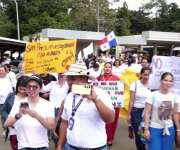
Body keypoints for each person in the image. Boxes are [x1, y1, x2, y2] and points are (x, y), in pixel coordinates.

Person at [56, 62, 115, 150]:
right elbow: (64, 122)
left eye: (72, 78)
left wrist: (96, 100)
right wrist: (60, 145)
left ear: (84, 78)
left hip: (95, 148)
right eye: (68, 78)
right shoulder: (69, 96)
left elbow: (110, 119)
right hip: (70, 146)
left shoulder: (100, 93)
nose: (69, 82)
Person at [4, 75, 55, 150]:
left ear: (40, 89)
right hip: (24, 146)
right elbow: (6, 124)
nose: (31, 89)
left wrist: (36, 115)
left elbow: (51, 126)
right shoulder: (19, 103)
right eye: (29, 86)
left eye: (35, 87)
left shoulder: (47, 104)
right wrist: (19, 115)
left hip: (42, 146)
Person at [144, 72, 180, 150]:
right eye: (165, 80)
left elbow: (175, 114)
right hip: (154, 129)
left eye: (170, 81)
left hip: (169, 129)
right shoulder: (152, 95)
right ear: (161, 81)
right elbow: (147, 113)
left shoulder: (175, 97)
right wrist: (146, 130)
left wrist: (178, 129)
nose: (168, 83)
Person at [2, 76, 29, 150]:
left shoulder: (31, 98)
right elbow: (4, 111)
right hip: (13, 131)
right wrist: (10, 121)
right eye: (20, 88)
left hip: (27, 132)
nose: (22, 91)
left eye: (24, 89)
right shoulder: (11, 96)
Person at [127, 67, 151, 150]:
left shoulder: (152, 85)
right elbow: (131, 100)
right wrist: (129, 115)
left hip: (149, 112)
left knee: (147, 133)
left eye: (148, 75)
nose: (146, 77)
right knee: (139, 133)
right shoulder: (135, 84)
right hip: (136, 112)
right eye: (145, 74)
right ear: (141, 74)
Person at [97, 62, 120, 146]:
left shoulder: (117, 78)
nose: (107, 69)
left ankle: (110, 138)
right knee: (100, 120)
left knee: (112, 122)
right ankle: (101, 136)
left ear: (111, 69)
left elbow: (120, 91)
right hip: (101, 103)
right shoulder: (98, 78)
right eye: (106, 67)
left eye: (109, 67)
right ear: (103, 68)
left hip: (113, 104)